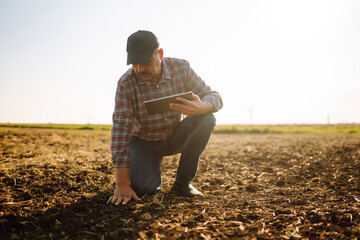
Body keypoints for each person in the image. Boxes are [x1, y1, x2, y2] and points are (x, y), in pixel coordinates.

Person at [107, 30, 223, 206]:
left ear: (160, 54)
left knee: (207, 118)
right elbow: (120, 130)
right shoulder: (126, 84)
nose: (139, 69)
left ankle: (183, 184)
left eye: (145, 62)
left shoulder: (181, 68)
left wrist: (202, 106)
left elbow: (214, 96)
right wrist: (121, 184)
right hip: (143, 141)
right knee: (145, 190)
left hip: (175, 136)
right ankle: (147, 170)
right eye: (134, 64)